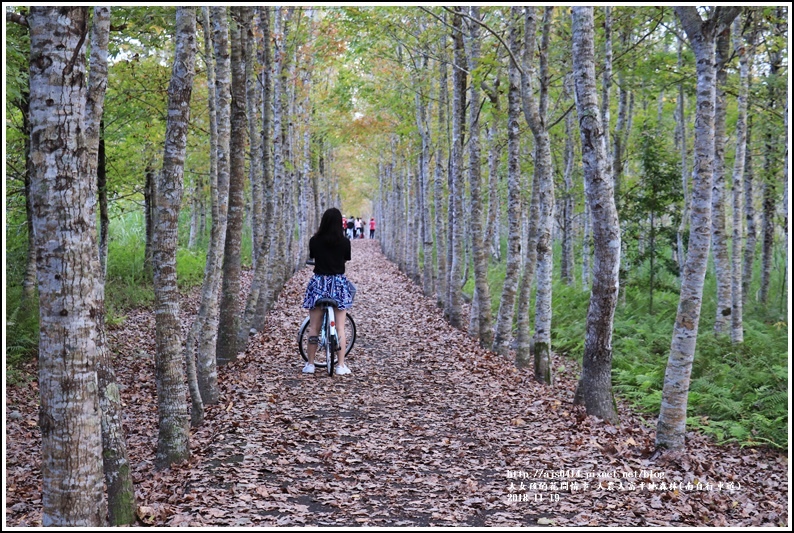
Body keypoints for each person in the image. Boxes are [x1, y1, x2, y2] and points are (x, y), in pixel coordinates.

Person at [302, 207, 354, 375]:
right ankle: (340, 365)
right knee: (340, 327)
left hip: (318, 284)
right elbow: (345, 259)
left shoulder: (314, 240)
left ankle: (310, 364)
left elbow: (313, 257)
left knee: (314, 327)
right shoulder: (345, 242)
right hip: (338, 285)